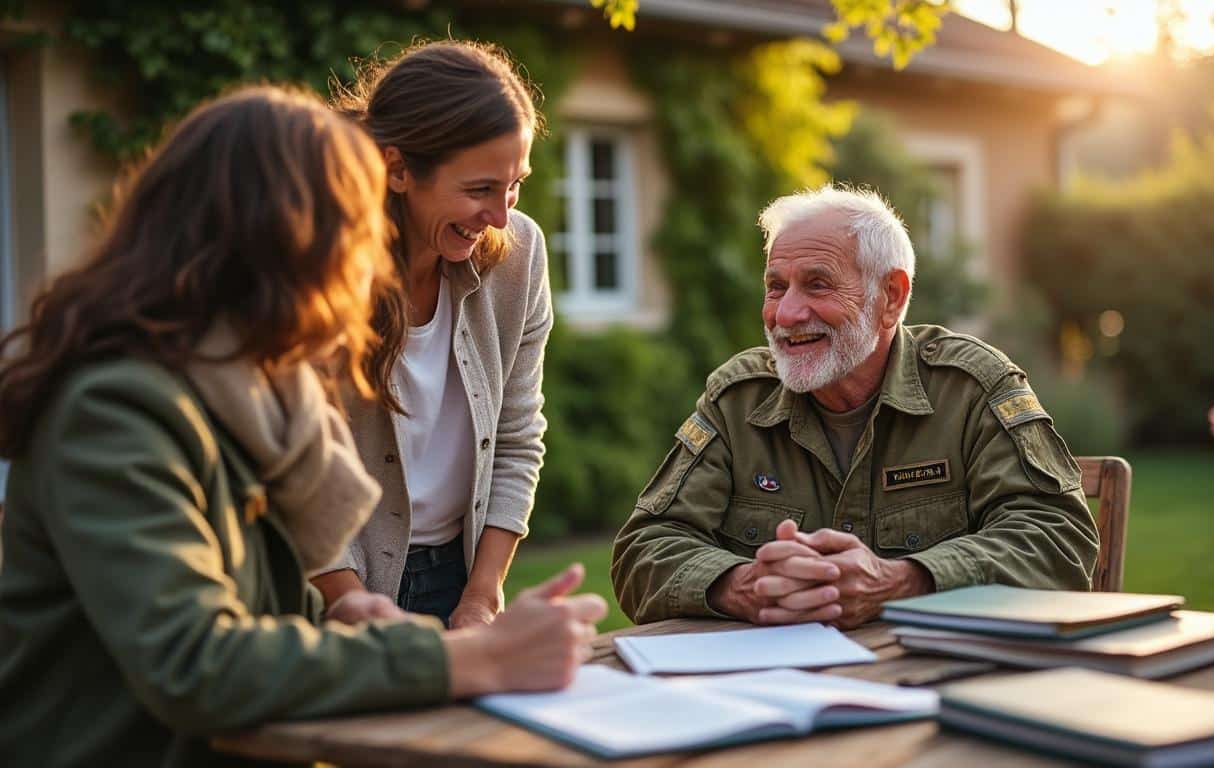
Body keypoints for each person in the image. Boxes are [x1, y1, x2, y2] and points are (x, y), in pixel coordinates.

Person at [0, 86, 605, 768]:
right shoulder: (115, 412)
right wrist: (466, 659)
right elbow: (194, 663)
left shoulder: (253, 395)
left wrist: (348, 617)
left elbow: (260, 615)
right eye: (350, 234)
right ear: (270, 241)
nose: (366, 266)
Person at [611, 185, 1099, 628]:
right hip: (779, 692)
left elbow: (1059, 538)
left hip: (940, 684)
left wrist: (903, 581)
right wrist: (744, 586)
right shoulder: (738, 399)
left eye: (818, 284)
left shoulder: (971, 389)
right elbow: (643, 549)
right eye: (776, 286)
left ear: (891, 296)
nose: (786, 314)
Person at [311, 40, 551, 629]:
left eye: (513, 183)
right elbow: (287, 468)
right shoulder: (316, 266)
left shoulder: (519, 256)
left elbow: (517, 437)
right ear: (397, 170)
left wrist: (481, 596)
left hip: (458, 576)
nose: (500, 215)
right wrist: (349, 603)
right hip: (323, 585)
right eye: (479, 190)